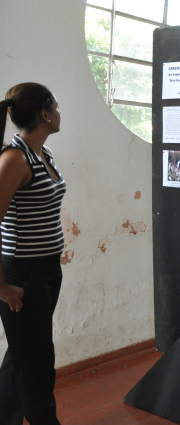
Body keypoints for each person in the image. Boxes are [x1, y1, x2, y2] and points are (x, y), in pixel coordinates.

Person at [0, 82, 66, 425]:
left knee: (23, 355)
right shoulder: (13, 159)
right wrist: (2, 288)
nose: (59, 112)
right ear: (44, 114)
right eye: (55, 106)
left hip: (46, 269)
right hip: (21, 273)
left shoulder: (44, 153)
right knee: (38, 363)